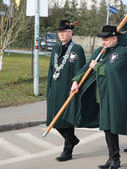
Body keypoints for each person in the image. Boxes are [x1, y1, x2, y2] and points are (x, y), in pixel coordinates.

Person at [69, 25, 127, 169]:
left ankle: (115, 159)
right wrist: (76, 80)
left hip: (114, 95)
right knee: (107, 127)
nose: (103, 42)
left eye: (106, 39)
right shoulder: (100, 52)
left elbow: (113, 70)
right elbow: (88, 66)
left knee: (112, 126)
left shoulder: (122, 51)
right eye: (102, 39)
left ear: (114, 38)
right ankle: (112, 158)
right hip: (101, 95)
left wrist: (97, 67)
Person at [46, 20, 86, 162]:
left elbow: (81, 70)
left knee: (66, 120)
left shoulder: (77, 49)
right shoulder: (56, 49)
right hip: (55, 90)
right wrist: (49, 90)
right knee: (53, 119)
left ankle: (67, 150)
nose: (61, 34)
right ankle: (73, 140)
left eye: (64, 31)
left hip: (68, 90)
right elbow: (51, 70)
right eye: (60, 32)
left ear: (71, 32)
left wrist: (76, 84)